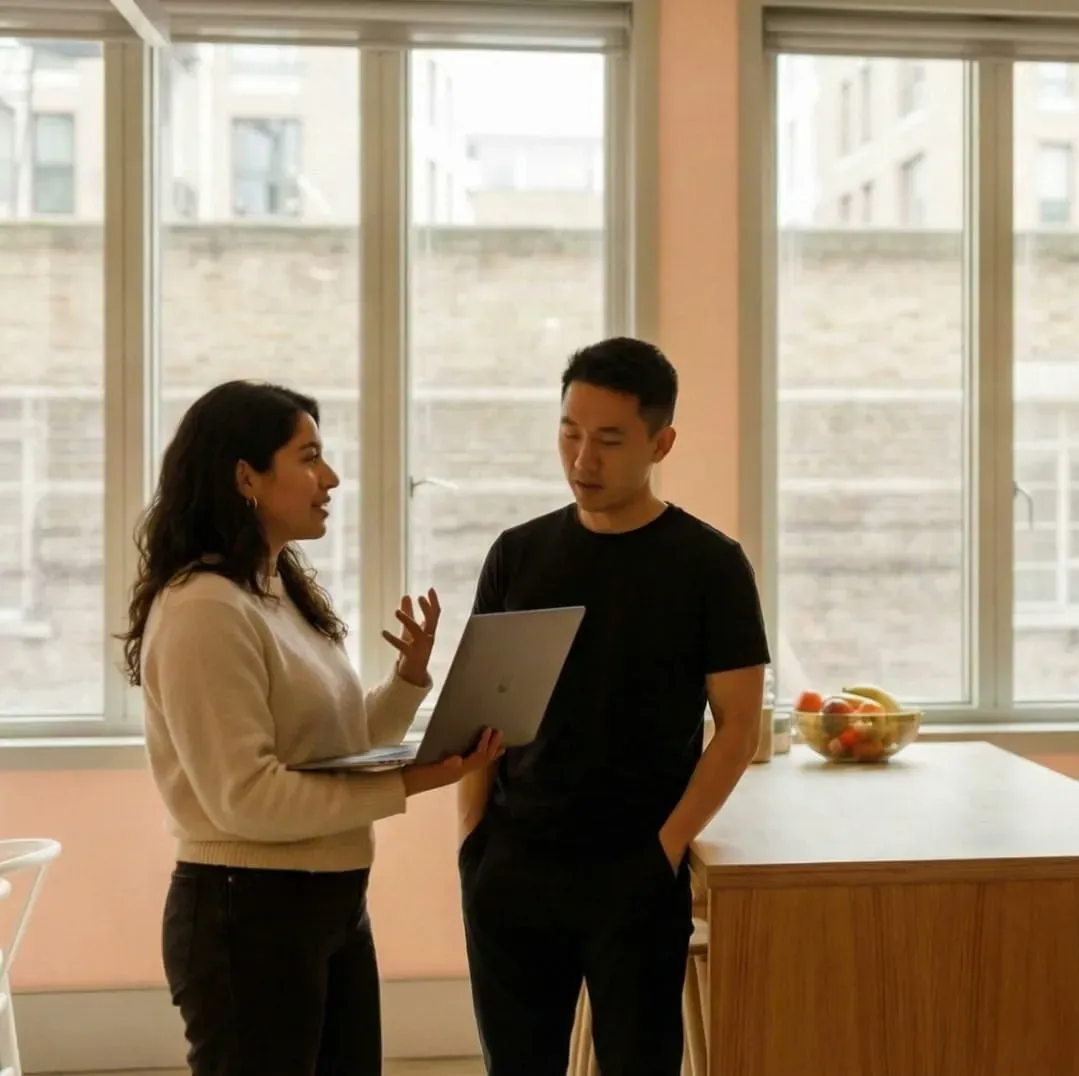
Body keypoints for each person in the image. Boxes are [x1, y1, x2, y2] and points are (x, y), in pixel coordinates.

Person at [127, 380, 501, 1076]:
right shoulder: (204, 608)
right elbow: (248, 799)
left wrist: (409, 680)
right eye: (309, 458)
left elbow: (337, 744)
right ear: (246, 477)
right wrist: (409, 784)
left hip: (328, 900)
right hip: (248, 911)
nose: (330, 478)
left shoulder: (276, 591)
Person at [457, 337, 771, 1075]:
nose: (582, 460)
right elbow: (479, 714)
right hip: (514, 862)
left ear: (661, 443)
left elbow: (738, 728)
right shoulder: (518, 554)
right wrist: (473, 842)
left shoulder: (710, 565)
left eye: (608, 440)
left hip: (636, 865)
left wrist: (666, 849)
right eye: (569, 433)